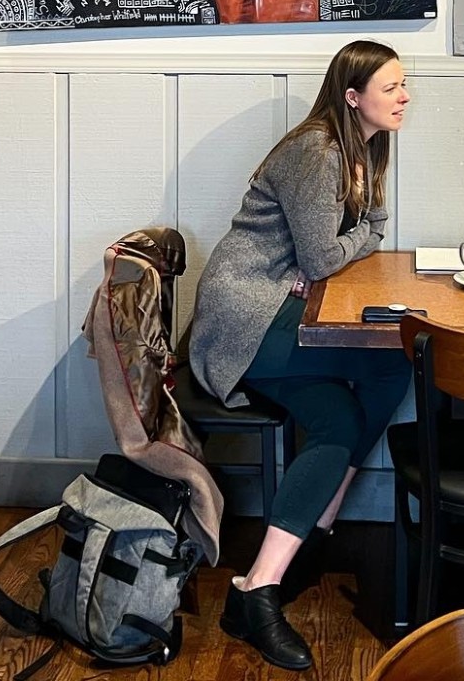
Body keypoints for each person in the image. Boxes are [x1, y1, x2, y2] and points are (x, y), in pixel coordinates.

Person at [188, 39, 411, 671]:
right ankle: (290, 554)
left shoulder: (363, 148)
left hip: (281, 307)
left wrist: (354, 241)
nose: (404, 97)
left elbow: (364, 232)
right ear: (352, 96)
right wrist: (359, 238)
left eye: (403, 85)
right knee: (391, 362)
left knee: (354, 405)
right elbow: (328, 255)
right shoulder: (317, 151)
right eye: (391, 87)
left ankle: (272, 569)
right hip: (243, 318)